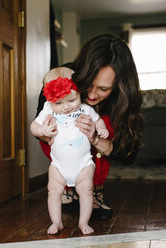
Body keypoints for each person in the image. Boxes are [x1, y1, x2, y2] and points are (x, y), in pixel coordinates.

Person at [35, 34, 145, 220]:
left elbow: (128, 155)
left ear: (119, 86)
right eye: (88, 85)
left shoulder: (123, 100)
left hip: (92, 151)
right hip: (62, 148)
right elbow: (38, 121)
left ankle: (93, 190)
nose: (92, 95)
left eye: (103, 89)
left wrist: (96, 139)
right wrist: (48, 132)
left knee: (105, 124)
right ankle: (67, 187)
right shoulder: (61, 78)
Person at [30, 67, 109, 235]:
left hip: (83, 164)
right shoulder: (48, 109)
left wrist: (101, 130)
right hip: (59, 165)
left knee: (87, 190)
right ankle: (56, 222)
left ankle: (83, 222)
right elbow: (34, 126)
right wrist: (42, 131)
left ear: (79, 93)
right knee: (53, 191)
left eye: (72, 100)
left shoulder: (85, 109)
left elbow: (98, 120)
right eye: (58, 103)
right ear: (50, 100)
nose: (66, 107)